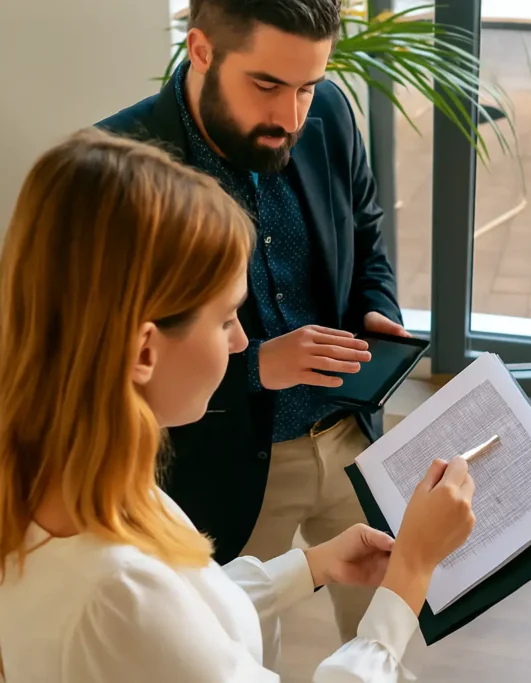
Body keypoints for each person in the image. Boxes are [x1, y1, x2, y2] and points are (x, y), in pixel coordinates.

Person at [0, 129, 475, 682]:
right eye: (227, 319)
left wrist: (310, 566)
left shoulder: (71, 474)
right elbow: (151, 618)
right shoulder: (116, 594)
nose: (241, 342)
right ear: (145, 351)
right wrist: (411, 573)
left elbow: (183, 621)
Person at [99, 0, 406, 643]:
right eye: (266, 85)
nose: (291, 117)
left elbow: (367, 234)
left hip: (349, 431)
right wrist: (256, 364)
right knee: (237, 645)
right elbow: (105, 349)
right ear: (202, 50)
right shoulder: (118, 168)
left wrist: (377, 311)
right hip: (224, 460)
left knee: (389, 623)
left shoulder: (329, 115)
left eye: (307, 86)